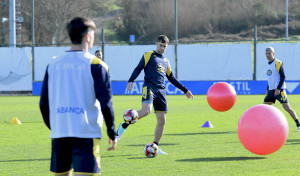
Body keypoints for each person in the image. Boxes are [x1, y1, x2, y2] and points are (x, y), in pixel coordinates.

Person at [39, 17, 117, 176]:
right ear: (88, 37)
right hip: (86, 133)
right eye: (93, 36)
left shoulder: (53, 64)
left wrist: (55, 128)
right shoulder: (96, 64)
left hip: (60, 133)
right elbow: (106, 103)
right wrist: (111, 131)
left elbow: (43, 104)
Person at [116, 35, 194, 154]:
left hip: (161, 91)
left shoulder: (166, 61)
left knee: (162, 120)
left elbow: (171, 78)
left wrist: (185, 90)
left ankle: (155, 146)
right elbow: (138, 68)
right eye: (161, 45)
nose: (162, 48)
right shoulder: (148, 55)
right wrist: (131, 80)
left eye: (165, 46)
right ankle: (123, 127)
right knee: (146, 111)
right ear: (156, 44)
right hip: (149, 87)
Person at [263, 46, 300, 132]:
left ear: (273, 54)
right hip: (271, 90)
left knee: (287, 108)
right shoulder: (266, 64)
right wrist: (268, 88)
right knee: (264, 108)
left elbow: (283, 76)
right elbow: (270, 78)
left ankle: (298, 124)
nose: (268, 55)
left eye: (269, 53)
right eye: (266, 53)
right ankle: (265, 126)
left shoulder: (278, 63)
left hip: (279, 90)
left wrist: (278, 88)